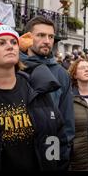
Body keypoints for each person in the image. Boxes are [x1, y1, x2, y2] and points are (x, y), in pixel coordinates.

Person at [0, 22, 68, 170]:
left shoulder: (36, 88)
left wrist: (54, 166)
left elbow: (55, 136)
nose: (10, 46)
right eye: (1, 43)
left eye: (14, 42)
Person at [19, 16, 75, 157]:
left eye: (51, 36)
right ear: (28, 37)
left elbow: (66, 120)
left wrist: (59, 158)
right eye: (41, 35)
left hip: (48, 151)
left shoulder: (61, 73)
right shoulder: (14, 66)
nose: (47, 41)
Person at [68, 59, 88, 171]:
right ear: (75, 74)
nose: (87, 69)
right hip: (76, 162)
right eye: (82, 68)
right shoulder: (68, 99)